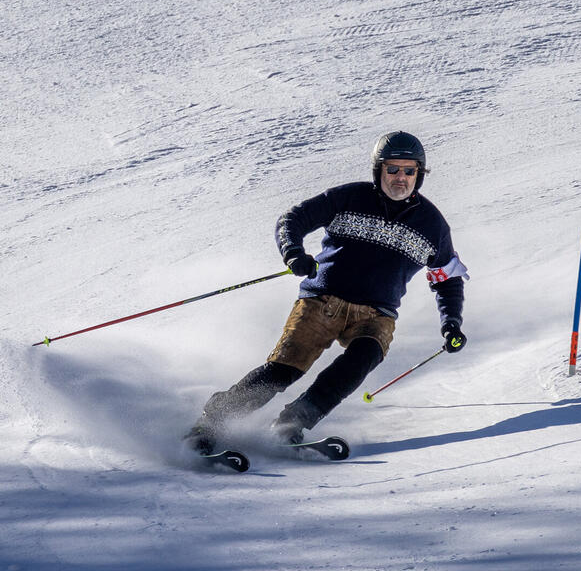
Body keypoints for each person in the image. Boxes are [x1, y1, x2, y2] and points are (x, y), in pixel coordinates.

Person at [185, 131, 468, 454]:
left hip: (376, 313)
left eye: (409, 171)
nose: (400, 178)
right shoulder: (350, 198)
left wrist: (451, 322)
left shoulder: (432, 225)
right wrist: (293, 252)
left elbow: (447, 276)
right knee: (285, 369)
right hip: (323, 302)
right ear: (379, 171)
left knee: (363, 359)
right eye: (392, 169)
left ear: (419, 174)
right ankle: (210, 424)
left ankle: (292, 423)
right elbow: (293, 218)